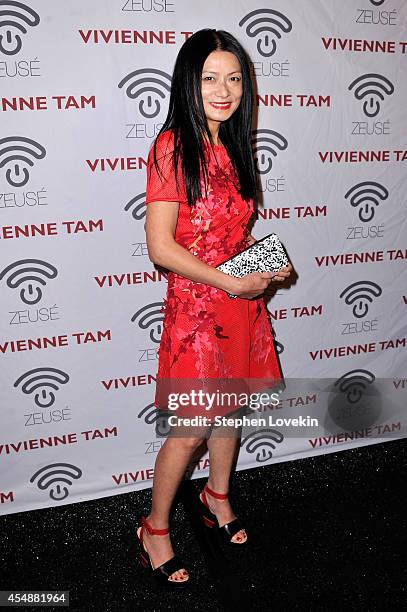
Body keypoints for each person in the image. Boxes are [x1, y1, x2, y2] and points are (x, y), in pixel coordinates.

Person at [137, 28, 293, 588]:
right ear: (188, 82)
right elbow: (162, 248)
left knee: (232, 411)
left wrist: (262, 265)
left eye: (233, 78)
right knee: (189, 430)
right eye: (209, 78)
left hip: (239, 302)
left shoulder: (232, 143)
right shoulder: (171, 147)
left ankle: (217, 497)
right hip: (199, 310)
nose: (223, 89)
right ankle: (155, 527)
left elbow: (228, 233)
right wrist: (232, 281)